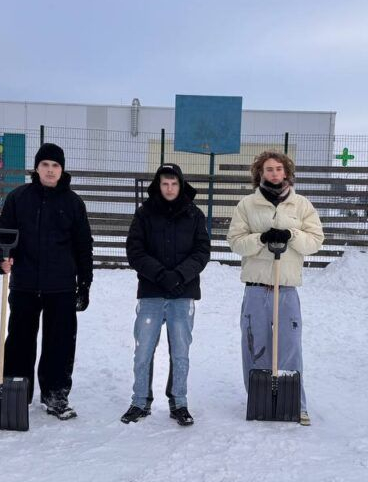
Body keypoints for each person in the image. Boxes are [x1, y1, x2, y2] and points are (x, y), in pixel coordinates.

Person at [0, 143, 93, 420]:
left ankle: (56, 395)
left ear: (62, 170)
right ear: (36, 168)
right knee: (20, 341)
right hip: (24, 282)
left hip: (60, 285)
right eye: (45, 165)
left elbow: (84, 246)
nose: (50, 170)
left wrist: (84, 284)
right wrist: (2, 259)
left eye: (55, 166)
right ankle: (17, 391)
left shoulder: (73, 203)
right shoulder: (18, 198)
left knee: (59, 343)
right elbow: (4, 235)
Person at [227, 151, 324, 426]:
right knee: (255, 345)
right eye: (268, 169)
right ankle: (258, 398)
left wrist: (291, 235)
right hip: (256, 288)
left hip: (287, 288)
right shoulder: (247, 205)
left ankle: (296, 403)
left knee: (290, 346)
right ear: (259, 173)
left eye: (278, 169)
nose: (273, 174)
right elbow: (235, 242)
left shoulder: (301, 205)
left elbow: (315, 241)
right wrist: (261, 238)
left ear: (286, 173)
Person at [121, 163, 211, 426]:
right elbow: (135, 251)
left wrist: (180, 275)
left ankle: (179, 401)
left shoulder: (194, 215)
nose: (169, 188)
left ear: (180, 185)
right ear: (158, 186)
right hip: (151, 293)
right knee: (143, 350)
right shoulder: (145, 214)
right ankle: (140, 401)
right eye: (164, 183)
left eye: (174, 183)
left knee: (181, 352)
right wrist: (161, 275)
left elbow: (202, 251)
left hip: (183, 295)